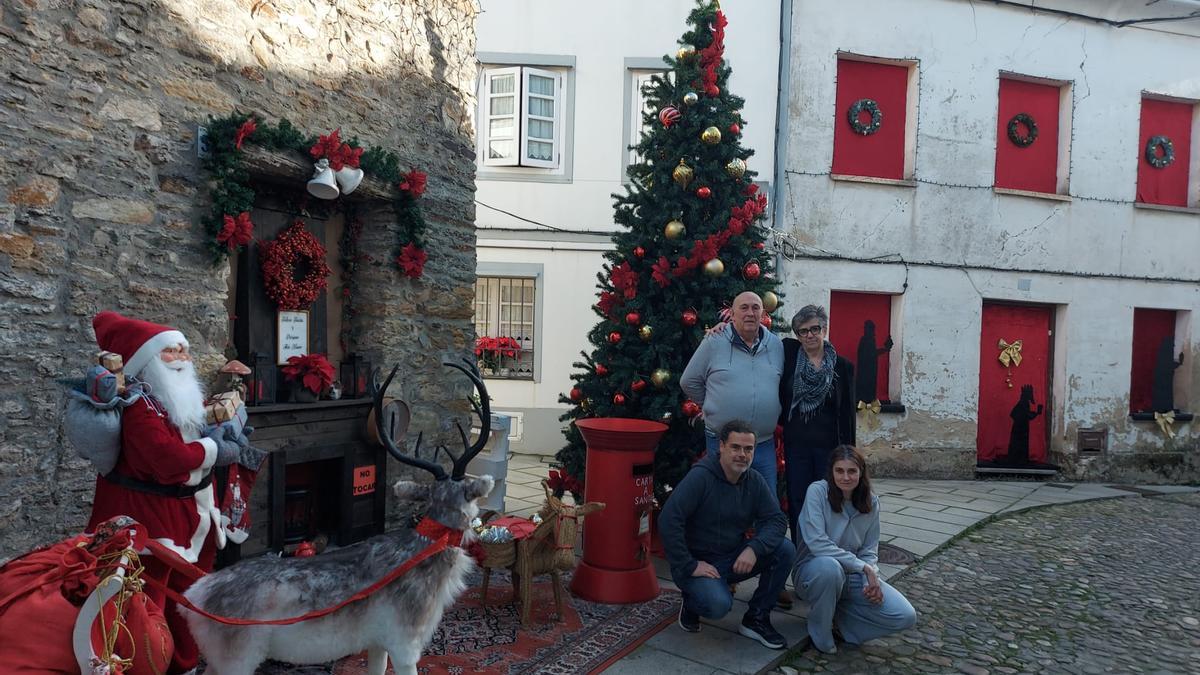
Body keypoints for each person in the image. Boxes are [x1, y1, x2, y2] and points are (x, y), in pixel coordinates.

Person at [85, 311, 259, 674]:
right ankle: (152, 665)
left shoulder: (171, 401)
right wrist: (215, 450)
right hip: (151, 524)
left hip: (184, 520)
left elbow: (192, 430)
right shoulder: (141, 409)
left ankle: (183, 662)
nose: (182, 358)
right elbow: (167, 459)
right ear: (148, 361)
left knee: (184, 597)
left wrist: (226, 430)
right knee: (152, 603)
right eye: (172, 352)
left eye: (184, 351)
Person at [658, 420, 796, 649]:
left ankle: (756, 619)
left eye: (748, 449)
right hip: (699, 563)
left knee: (785, 549)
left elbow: (776, 519)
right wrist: (689, 564)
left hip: (732, 557)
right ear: (721, 446)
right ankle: (692, 602)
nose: (742, 454)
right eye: (735, 447)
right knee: (718, 605)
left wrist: (754, 548)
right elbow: (669, 519)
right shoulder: (701, 477)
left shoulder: (754, 480)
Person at [792, 445, 916, 654]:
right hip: (813, 573)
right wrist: (864, 567)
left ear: (861, 472)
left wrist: (871, 577)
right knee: (830, 568)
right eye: (839, 471)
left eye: (852, 471)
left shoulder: (872, 502)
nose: (846, 477)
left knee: (905, 615)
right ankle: (820, 629)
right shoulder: (817, 492)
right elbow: (817, 543)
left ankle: (843, 624)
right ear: (831, 472)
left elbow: (869, 548)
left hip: (853, 576)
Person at [681, 291, 784, 497]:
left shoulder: (776, 345)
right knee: (724, 501)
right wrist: (712, 404)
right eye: (743, 308)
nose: (750, 313)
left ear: (762, 313)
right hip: (724, 443)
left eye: (755, 308)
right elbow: (688, 381)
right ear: (733, 314)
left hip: (762, 444)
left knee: (767, 503)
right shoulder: (714, 342)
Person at [780, 304, 856, 543]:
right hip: (797, 446)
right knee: (798, 499)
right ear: (797, 335)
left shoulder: (842, 367)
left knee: (828, 499)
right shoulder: (789, 356)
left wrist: (849, 453)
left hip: (829, 448)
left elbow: (847, 414)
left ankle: (826, 547)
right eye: (803, 331)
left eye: (815, 328)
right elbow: (757, 336)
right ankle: (801, 548)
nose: (810, 335)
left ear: (824, 329)